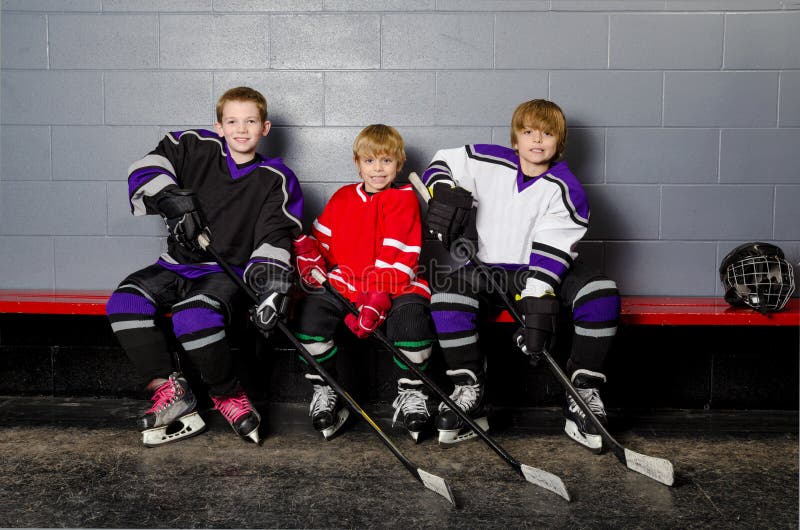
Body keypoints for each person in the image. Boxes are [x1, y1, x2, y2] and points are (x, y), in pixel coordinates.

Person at [106, 86, 304, 446]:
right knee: (124, 302)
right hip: (176, 264)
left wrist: (272, 287)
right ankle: (171, 391)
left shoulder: (276, 178)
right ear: (219, 126)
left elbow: (275, 236)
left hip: (224, 274)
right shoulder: (192, 146)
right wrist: (169, 199)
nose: (241, 129)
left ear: (265, 127)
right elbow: (147, 166)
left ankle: (228, 395)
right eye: (232, 121)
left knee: (192, 316)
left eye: (250, 121)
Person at [421, 99, 621, 451]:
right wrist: (443, 193)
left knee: (600, 292)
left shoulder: (567, 188)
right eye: (528, 132)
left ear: (559, 143)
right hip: (487, 267)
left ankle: (583, 392)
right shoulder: (487, 160)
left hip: (541, 270)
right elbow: (441, 162)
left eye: (547, 134)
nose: (537, 140)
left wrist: (537, 301)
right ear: (515, 139)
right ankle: (470, 389)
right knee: (447, 298)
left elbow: (551, 253)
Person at [291, 124, 435, 442]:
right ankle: (325, 389)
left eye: (386, 161)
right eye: (370, 161)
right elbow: (323, 241)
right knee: (310, 315)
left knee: (411, 319)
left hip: (398, 280)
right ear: (358, 164)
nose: (377, 168)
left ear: (399, 163)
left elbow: (398, 251)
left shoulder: (404, 198)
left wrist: (378, 296)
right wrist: (308, 253)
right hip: (347, 281)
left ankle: (413, 395)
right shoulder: (343, 197)